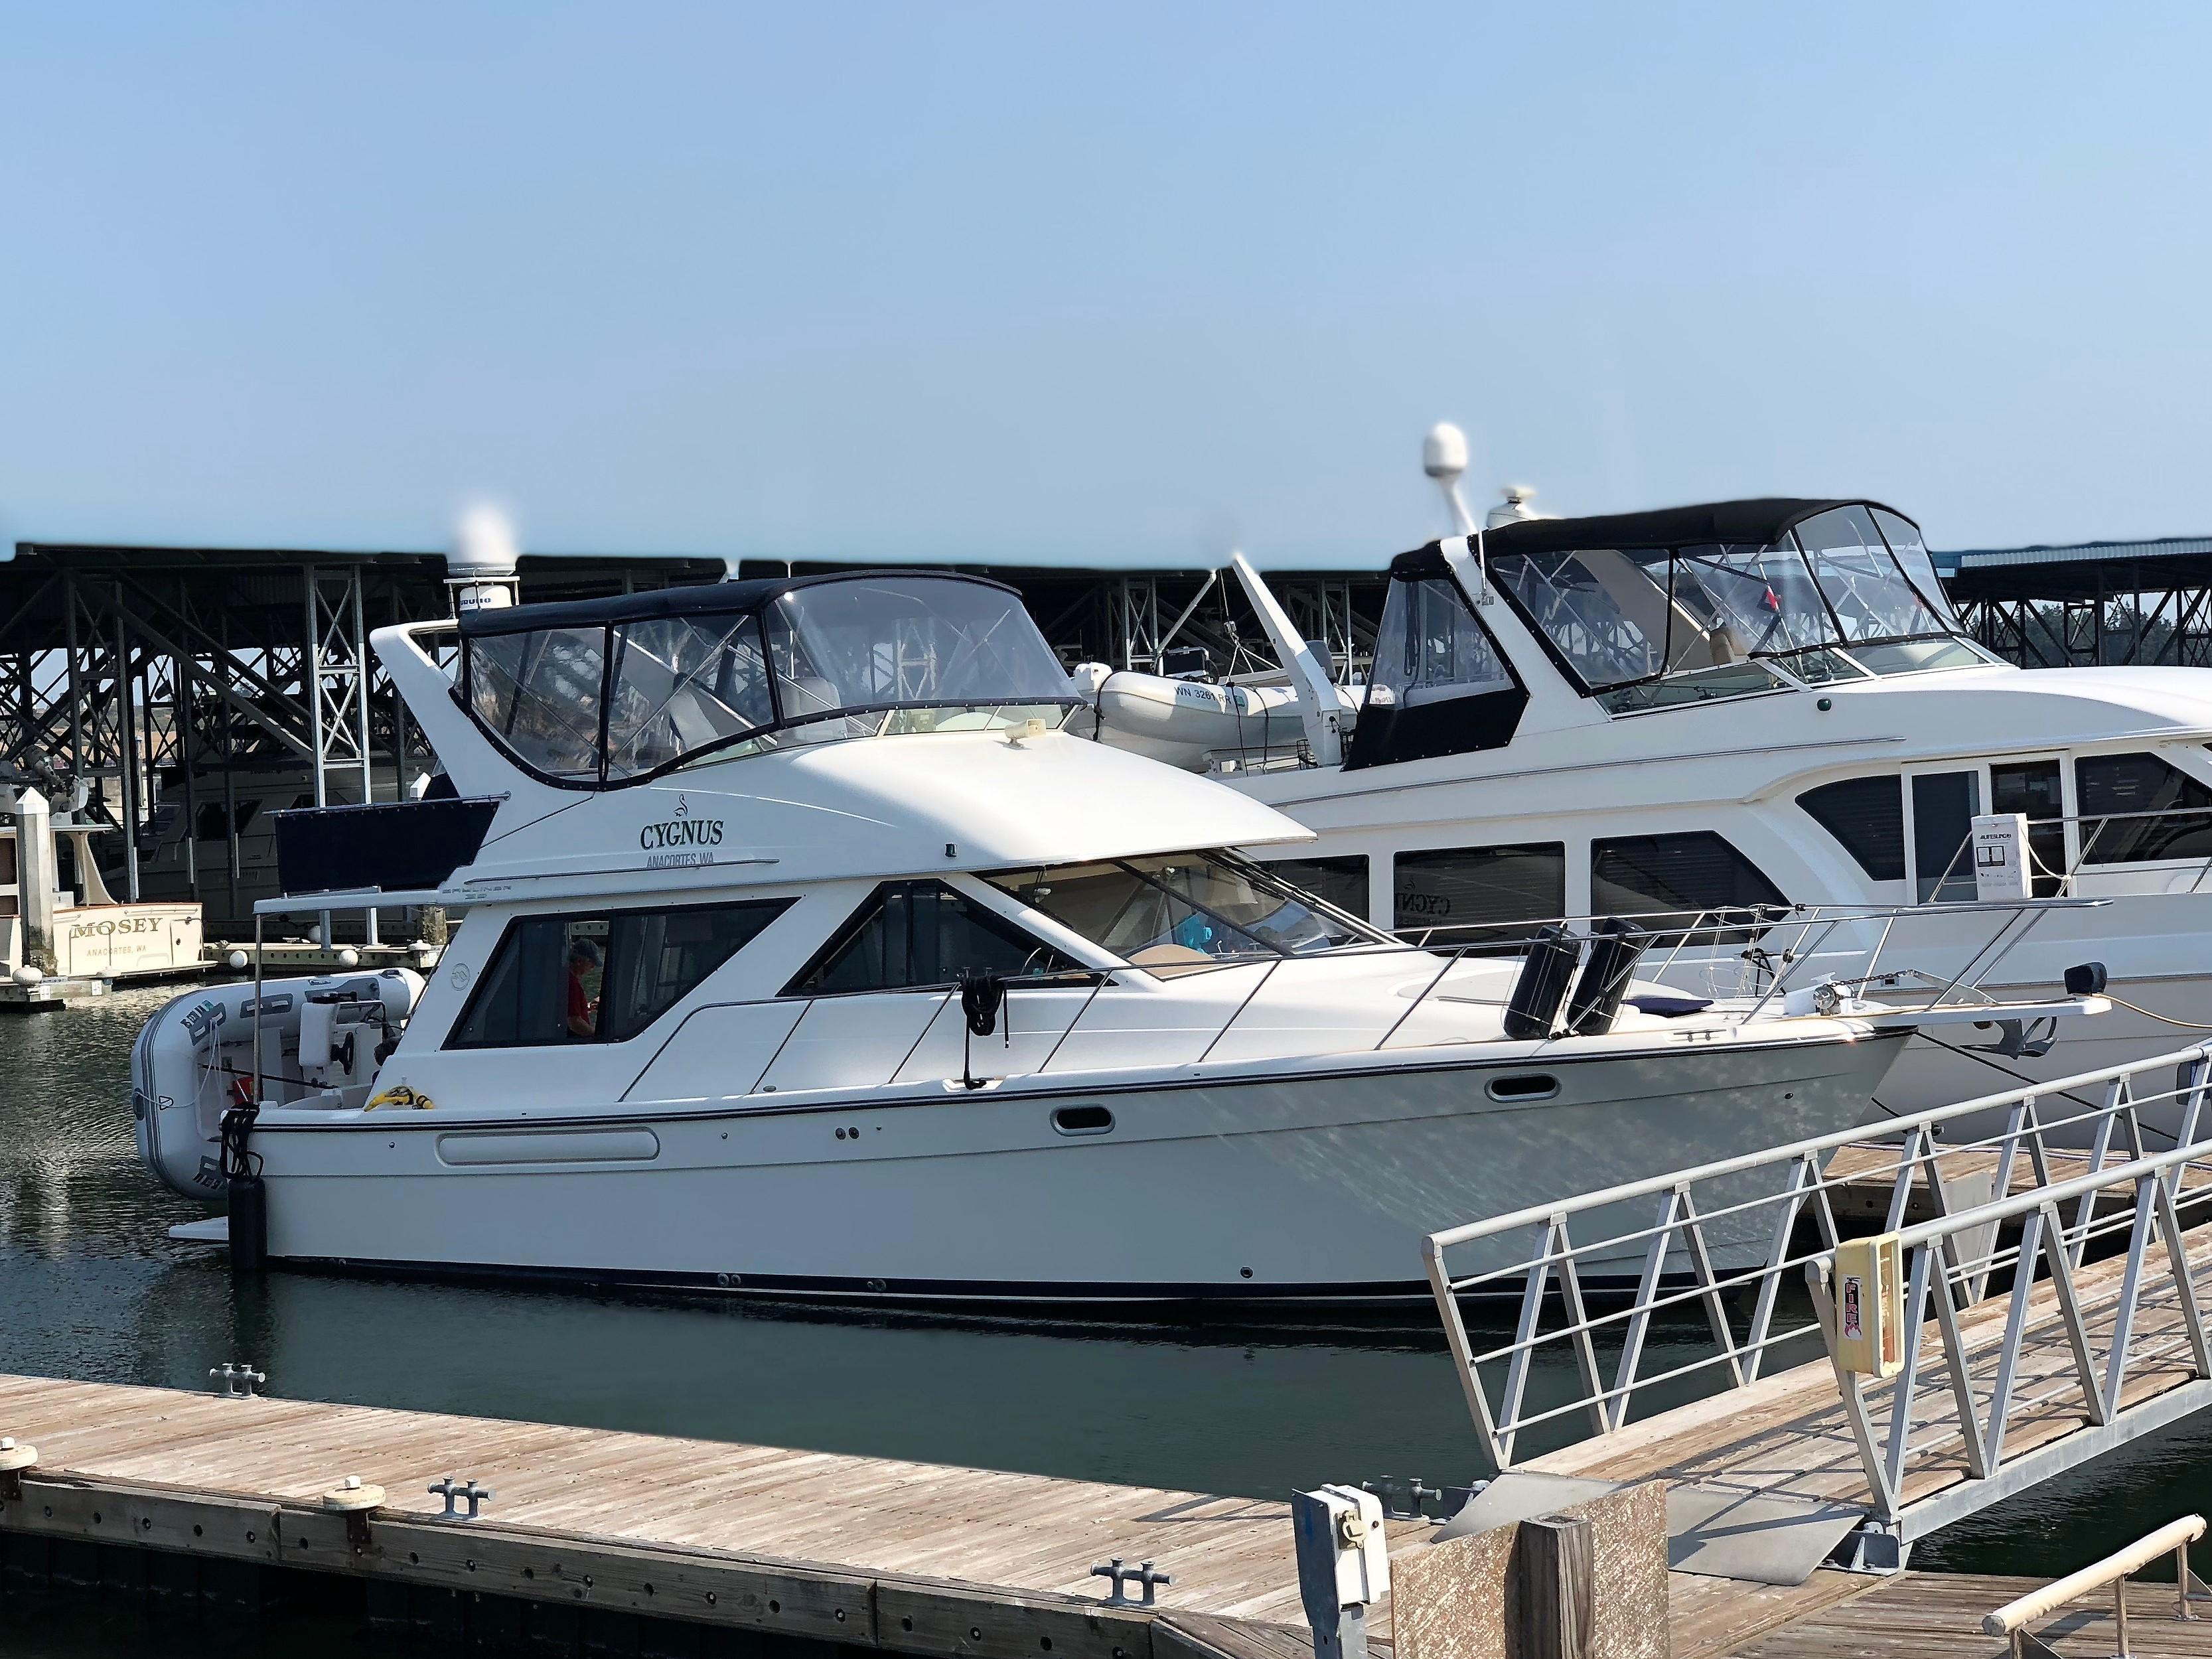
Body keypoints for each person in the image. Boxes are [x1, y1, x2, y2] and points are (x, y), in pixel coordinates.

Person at [566, 936, 603, 1039]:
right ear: (579, 961)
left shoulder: (567, 980)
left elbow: (572, 1010)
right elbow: (574, 1022)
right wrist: (597, 1037)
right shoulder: (572, 985)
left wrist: (590, 1006)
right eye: (591, 964)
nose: (592, 968)